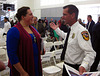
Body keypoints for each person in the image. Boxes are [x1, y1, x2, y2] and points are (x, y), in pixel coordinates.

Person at [50, 4, 96, 76]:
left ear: (72, 15)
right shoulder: (71, 29)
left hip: (75, 68)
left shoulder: (81, 31)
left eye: (65, 14)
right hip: (66, 66)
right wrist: (57, 30)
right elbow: (67, 37)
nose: (63, 17)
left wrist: (84, 65)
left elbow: (91, 53)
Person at [7, 6, 44, 76]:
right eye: (30, 14)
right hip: (23, 65)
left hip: (35, 63)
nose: (33, 16)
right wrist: (22, 72)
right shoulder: (14, 31)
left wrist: (41, 48)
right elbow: (12, 55)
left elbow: (38, 41)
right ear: (23, 17)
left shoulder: (32, 28)